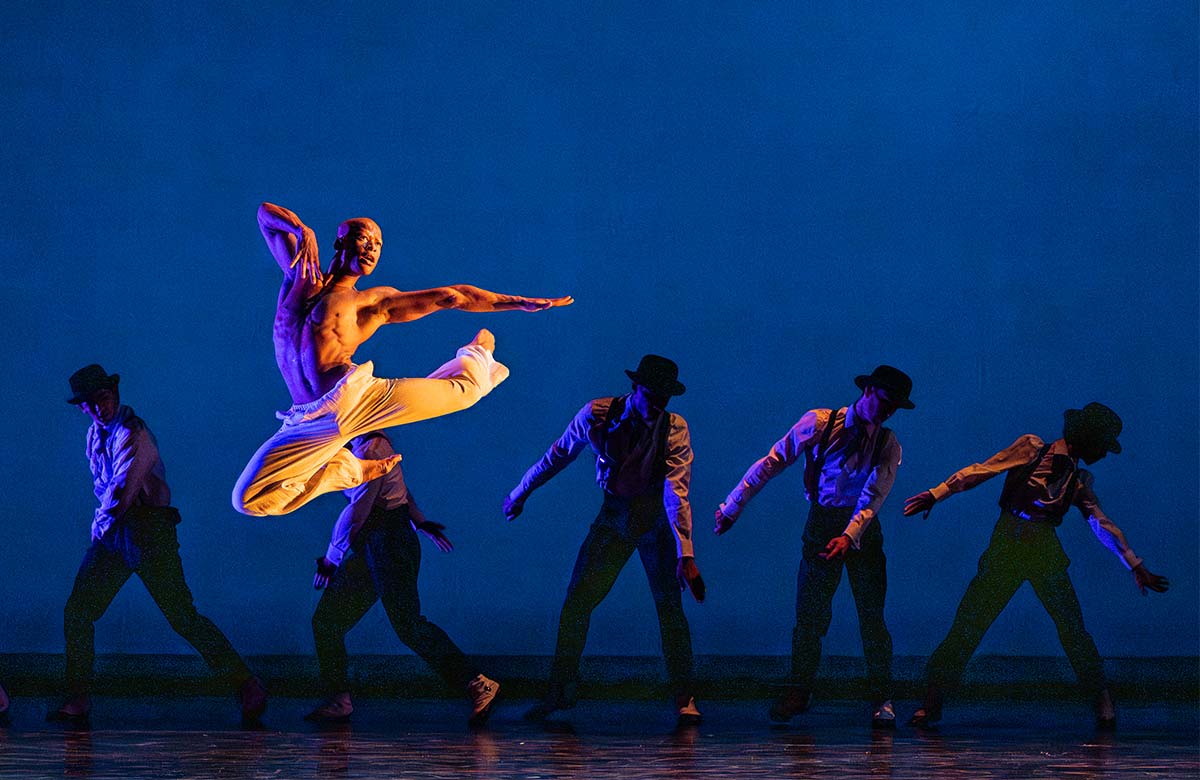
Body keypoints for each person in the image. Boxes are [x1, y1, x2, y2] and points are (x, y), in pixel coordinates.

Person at [233, 202, 572, 517]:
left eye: (378, 246)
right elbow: (266, 216)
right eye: (365, 240)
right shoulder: (300, 275)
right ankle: (349, 471)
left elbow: (453, 296)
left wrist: (516, 301)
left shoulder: (371, 303)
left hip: (353, 400)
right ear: (340, 243)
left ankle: (478, 352)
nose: (371, 250)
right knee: (249, 500)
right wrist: (301, 229)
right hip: (306, 420)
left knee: (466, 393)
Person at [903, 402, 1169, 729]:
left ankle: (1102, 701)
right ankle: (932, 701)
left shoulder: (1080, 480)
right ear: (1089, 437)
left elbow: (1100, 523)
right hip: (1009, 542)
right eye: (1103, 444)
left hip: (1043, 547)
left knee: (1072, 628)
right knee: (970, 622)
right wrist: (937, 493)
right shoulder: (1032, 449)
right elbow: (985, 469)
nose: (1104, 452)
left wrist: (1133, 564)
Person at [56, 364, 267, 724]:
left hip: (149, 530)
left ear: (115, 395)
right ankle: (78, 698)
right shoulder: (95, 435)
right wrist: (102, 532)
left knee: (182, 617)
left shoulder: (134, 434)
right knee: (78, 611)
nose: (97, 408)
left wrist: (98, 529)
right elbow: (105, 489)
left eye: (102, 399)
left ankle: (247, 684)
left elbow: (121, 495)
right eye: (89, 404)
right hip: (116, 532)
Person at [504, 355, 706, 725]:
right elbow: (558, 454)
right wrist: (521, 492)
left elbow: (677, 491)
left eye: (664, 397)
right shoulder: (597, 415)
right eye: (651, 394)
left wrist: (685, 553)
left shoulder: (674, 428)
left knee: (669, 608)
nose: (657, 403)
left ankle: (685, 697)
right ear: (635, 388)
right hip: (613, 515)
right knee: (577, 602)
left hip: (652, 518)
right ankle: (559, 693)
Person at [715, 366, 915, 728]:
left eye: (894, 408)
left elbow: (873, 498)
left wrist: (850, 536)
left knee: (872, 617)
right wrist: (733, 506)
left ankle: (882, 697)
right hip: (822, 524)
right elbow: (773, 461)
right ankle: (799, 691)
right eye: (885, 402)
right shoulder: (821, 423)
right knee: (809, 616)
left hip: (863, 532)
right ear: (867, 390)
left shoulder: (888, 443)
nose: (887, 412)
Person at [306, 431, 499, 726]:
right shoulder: (364, 445)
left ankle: (477, 683)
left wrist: (332, 558)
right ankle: (339, 699)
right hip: (376, 542)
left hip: (389, 542)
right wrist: (419, 520)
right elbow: (400, 491)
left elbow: (360, 509)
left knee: (408, 625)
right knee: (328, 621)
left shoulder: (372, 447)